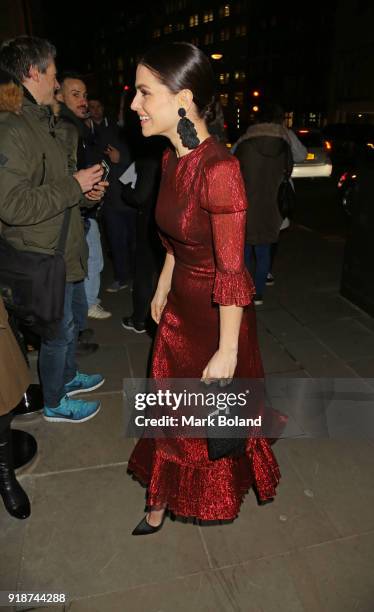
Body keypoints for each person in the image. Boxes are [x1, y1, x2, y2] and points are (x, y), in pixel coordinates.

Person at [126, 43, 281, 535]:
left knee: (209, 424)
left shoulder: (221, 171)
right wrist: (163, 283)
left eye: (144, 93)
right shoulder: (173, 160)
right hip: (179, 310)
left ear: (183, 98)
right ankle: (159, 499)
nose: (134, 104)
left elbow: (233, 272)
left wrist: (228, 351)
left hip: (219, 319)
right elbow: (177, 237)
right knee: (170, 412)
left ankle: (188, 497)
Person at [0, 37, 105, 423]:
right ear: (32, 72)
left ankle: (68, 375)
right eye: (53, 73)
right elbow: (11, 206)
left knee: (74, 323)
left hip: (66, 249)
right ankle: (55, 402)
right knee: (57, 334)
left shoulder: (46, 124)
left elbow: (61, 192)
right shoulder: (11, 129)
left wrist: (87, 194)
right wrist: (74, 185)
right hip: (42, 257)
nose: (57, 82)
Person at [56, 76, 112, 320]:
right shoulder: (64, 129)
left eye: (85, 95)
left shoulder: (81, 127)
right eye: (75, 94)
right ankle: (86, 307)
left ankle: (83, 312)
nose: (83, 101)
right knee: (89, 261)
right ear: (59, 96)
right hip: (73, 212)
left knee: (90, 260)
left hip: (85, 207)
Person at [233, 103, 293, 305]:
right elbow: (290, 168)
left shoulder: (245, 143)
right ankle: (258, 293)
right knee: (264, 249)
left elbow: (231, 167)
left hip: (247, 203)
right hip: (272, 204)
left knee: (246, 249)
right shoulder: (284, 144)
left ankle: (246, 289)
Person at [86, 98, 134, 294]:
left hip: (127, 196)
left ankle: (136, 280)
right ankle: (122, 277)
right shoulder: (85, 131)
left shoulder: (117, 129)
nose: (95, 110)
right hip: (106, 198)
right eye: (91, 107)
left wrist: (120, 159)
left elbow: (138, 160)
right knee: (115, 241)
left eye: (98, 106)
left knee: (133, 242)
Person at [120, 136, 165, 333]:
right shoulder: (174, 154)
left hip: (151, 224)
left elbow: (140, 195)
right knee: (165, 272)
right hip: (170, 221)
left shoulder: (149, 160)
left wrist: (125, 192)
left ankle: (140, 320)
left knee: (144, 273)